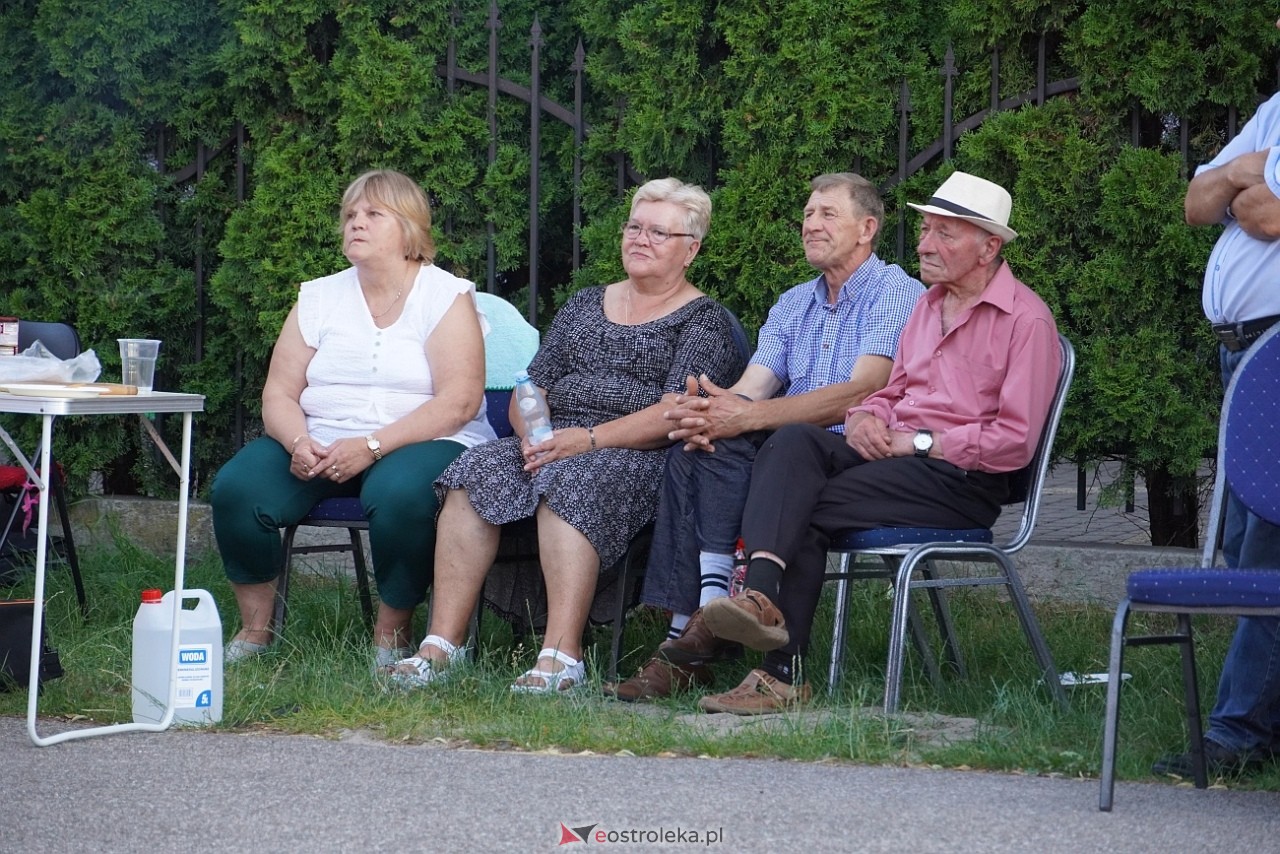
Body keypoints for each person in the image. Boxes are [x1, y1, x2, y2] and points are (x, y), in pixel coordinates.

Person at [677, 171, 1062, 714]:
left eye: (945, 234)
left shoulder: (1026, 321)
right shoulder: (928, 307)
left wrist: (919, 442)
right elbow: (891, 390)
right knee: (793, 443)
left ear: (989, 246)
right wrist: (864, 417)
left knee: (802, 506)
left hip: (962, 480)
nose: (925, 244)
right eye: (926, 229)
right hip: (892, 460)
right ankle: (761, 599)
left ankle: (779, 674)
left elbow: (1014, 443)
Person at [385, 177, 747, 692]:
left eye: (658, 233)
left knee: (571, 480)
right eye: (634, 227)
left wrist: (588, 439)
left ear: (691, 250)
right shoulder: (583, 305)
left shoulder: (704, 320)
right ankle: (442, 645)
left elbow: (676, 412)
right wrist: (534, 435)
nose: (640, 239)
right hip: (552, 441)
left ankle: (561, 655)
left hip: (634, 453)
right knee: (473, 471)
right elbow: (532, 383)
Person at [605, 172, 923, 702]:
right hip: (788, 455)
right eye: (807, 214)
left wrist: (742, 417)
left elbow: (862, 391)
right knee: (698, 445)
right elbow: (752, 389)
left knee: (774, 440)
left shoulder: (896, 292)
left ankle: (697, 639)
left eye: (827, 214)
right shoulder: (794, 302)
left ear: (867, 228)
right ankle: (698, 623)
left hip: (856, 454)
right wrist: (707, 411)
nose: (811, 224)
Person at [210, 169, 494, 669]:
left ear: (408, 228)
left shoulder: (444, 295)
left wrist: (372, 445)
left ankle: (393, 633)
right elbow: (278, 391)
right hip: (321, 439)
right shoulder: (319, 296)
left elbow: (460, 401)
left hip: (423, 438)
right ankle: (256, 631)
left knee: (400, 493)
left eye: (372, 214)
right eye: (350, 215)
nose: (355, 224)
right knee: (238, 487)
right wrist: (298, 441)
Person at [1154, 35, 1280, 777]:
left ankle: (1237, 734)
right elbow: (1199, 202)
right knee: (1241, 536)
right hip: (1239, 351)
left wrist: (1239, 189)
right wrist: (1238, 172)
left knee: (1267, 539)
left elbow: (1263, 217)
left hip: (1274, 348)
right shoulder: (1272, 111)